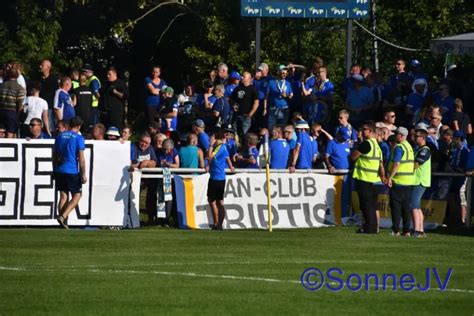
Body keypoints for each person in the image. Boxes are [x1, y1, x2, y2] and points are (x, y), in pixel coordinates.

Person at [53, 116, 87, 229]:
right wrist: (83, 174)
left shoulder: (59, 136)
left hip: (59, 169)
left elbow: (54, 155)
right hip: (71, 170)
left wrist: (54, 169)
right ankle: (63, 216)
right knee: (77, 195)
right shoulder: (78, 138)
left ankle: (64, 223)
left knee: (63, 196)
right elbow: (81, 159)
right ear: (78, 126)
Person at [351, 120, 385, 234]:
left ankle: (369, 228)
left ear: (370, 131)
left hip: (364, 179)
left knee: (366, 205)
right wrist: (383, 177)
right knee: (371, 205)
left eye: (364, 129)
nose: (362, 131)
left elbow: (353, 156)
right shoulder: (377, 146)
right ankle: (372, 227)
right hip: (374, 180)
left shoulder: (367, 144)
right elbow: (381, 165)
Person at [386, 127, 415, 237]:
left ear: (401, 135)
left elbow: (396, 164)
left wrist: (390, 177)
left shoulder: (399, 147)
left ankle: (396, 229)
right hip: (409, 182)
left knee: (396, 207)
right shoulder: (409, 147)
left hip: (398, 181)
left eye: (396, 134)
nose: (395, 136)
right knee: (406, 208)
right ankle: (407, 230)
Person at [206, 128, 234, 230]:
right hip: (217, 176)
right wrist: (231, 166)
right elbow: (226, 157)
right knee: (214, 200)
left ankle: (218, 224)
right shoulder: (222, 146)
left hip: (217, 177)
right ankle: (217, 223)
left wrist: (210, 145)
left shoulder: (219, 146)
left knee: (216, 201)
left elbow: (209, 156)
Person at [411, 128, 431, 238]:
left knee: (413, 205)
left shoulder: (425, 150)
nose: (414, 138)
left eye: (416, 136)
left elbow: (416, 164)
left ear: (423, 138)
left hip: (420, 181)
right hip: (416, 181)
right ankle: (420, 229)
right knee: (416, 206)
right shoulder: (417, 149)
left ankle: (417, 230)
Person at [230, 71, 259, 137]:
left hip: (246, 116)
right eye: (242, 76)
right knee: (235, 133)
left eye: (244, 76)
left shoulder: (253, 89)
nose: (242, 77)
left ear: (249, 78)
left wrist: (250, 114)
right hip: (236, 115)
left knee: (245, 134)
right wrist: (233, 106)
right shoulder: (238, 88)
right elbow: (231, 99)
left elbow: (256, 103)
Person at [0, 66, 26, 138]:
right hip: (12, 112)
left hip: (1, 111)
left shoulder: (1, 85)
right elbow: (20, 105)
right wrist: (18, 117)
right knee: (10, 133)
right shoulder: (19, 87)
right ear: (17, 76)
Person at [37, 59, 59, 131]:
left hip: (49, 106)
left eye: (42, 65)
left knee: (49, 125)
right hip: (38, 106)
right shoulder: (37, 78)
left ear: (48, 67)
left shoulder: (53, 79)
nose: (40, 66)